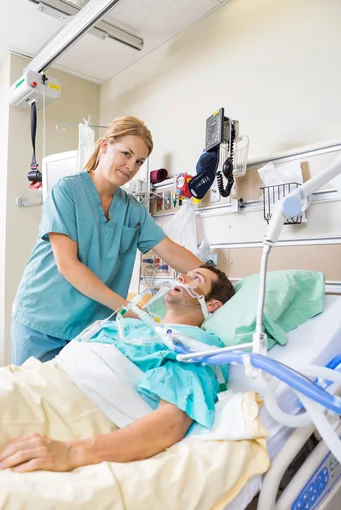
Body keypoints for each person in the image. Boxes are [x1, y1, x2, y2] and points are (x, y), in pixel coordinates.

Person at [0, 262, 235, 473]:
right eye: (185, 273)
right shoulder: (135, 327)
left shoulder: (195, 344)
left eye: (197, 278)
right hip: (32, 381)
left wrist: (70, 453)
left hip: (69, 407)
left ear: (212, 305)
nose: (182, 277)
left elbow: (171, 423)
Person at [11, 116, 203, 366]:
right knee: (30, 399)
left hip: (88, 330)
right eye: (126, 154)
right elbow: (67, 265)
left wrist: (213, 277)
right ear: (104, 146)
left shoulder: (132, 210)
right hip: (42, 320)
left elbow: (170, 250)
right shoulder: (67, 192)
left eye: (139, 161)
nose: (131, 166)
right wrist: (126, 308)